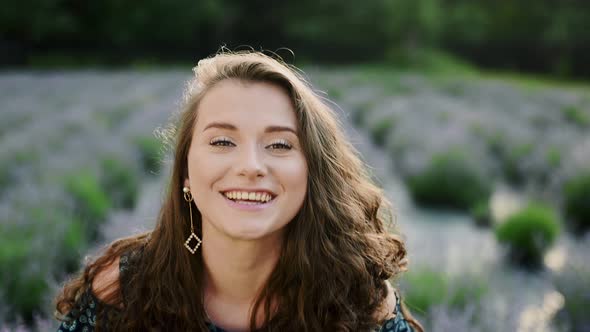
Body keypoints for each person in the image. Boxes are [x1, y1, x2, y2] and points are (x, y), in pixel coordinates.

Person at [54, 50, 423, 331]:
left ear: (312, 171)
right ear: (185, 172)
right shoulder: (121, 294)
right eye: (222, 141)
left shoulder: (360, 306)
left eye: (279, 145)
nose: (250, 166)